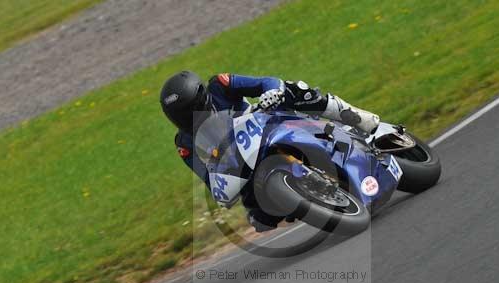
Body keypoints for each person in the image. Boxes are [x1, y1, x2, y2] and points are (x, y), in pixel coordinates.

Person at [160, 71, 381, 232]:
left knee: (297, 91)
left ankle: (351, 114)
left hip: (267, 122)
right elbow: (209, 178)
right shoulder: (184, 144)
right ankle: (301, 197)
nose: (188, 118)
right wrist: (221, 187)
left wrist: (271, 92)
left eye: (190, 110)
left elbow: (265, 82)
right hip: (244, 165)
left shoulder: (219, 85)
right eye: (180, 116)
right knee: (260, 220)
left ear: (202, 97)